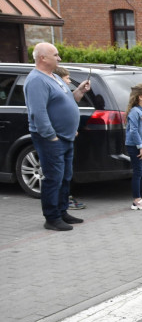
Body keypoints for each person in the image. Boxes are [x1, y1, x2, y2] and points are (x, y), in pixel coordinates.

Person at [25, 43, 91, 231]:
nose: (59, 58)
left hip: (65, 137)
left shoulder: (54, 77)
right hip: (51, 139)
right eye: (55, 55)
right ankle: (52, 217)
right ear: (43, 58)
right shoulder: (36, 80)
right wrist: (51, 136)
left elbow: (68, 100)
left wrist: (80, 92)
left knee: (65, 176)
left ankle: (62, 211)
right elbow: (38, 112)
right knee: (53, 177)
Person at [52, 66, 86, 211]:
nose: (69, 80)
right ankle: (57, 208)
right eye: (67, 78)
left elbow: (72, 100)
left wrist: (81, 90)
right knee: (57, 175)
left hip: (68, 136)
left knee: (67, 174)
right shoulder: (54, 90)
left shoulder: (65, 92)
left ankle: (64, 206)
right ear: (59, 79)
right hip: (58, 138)